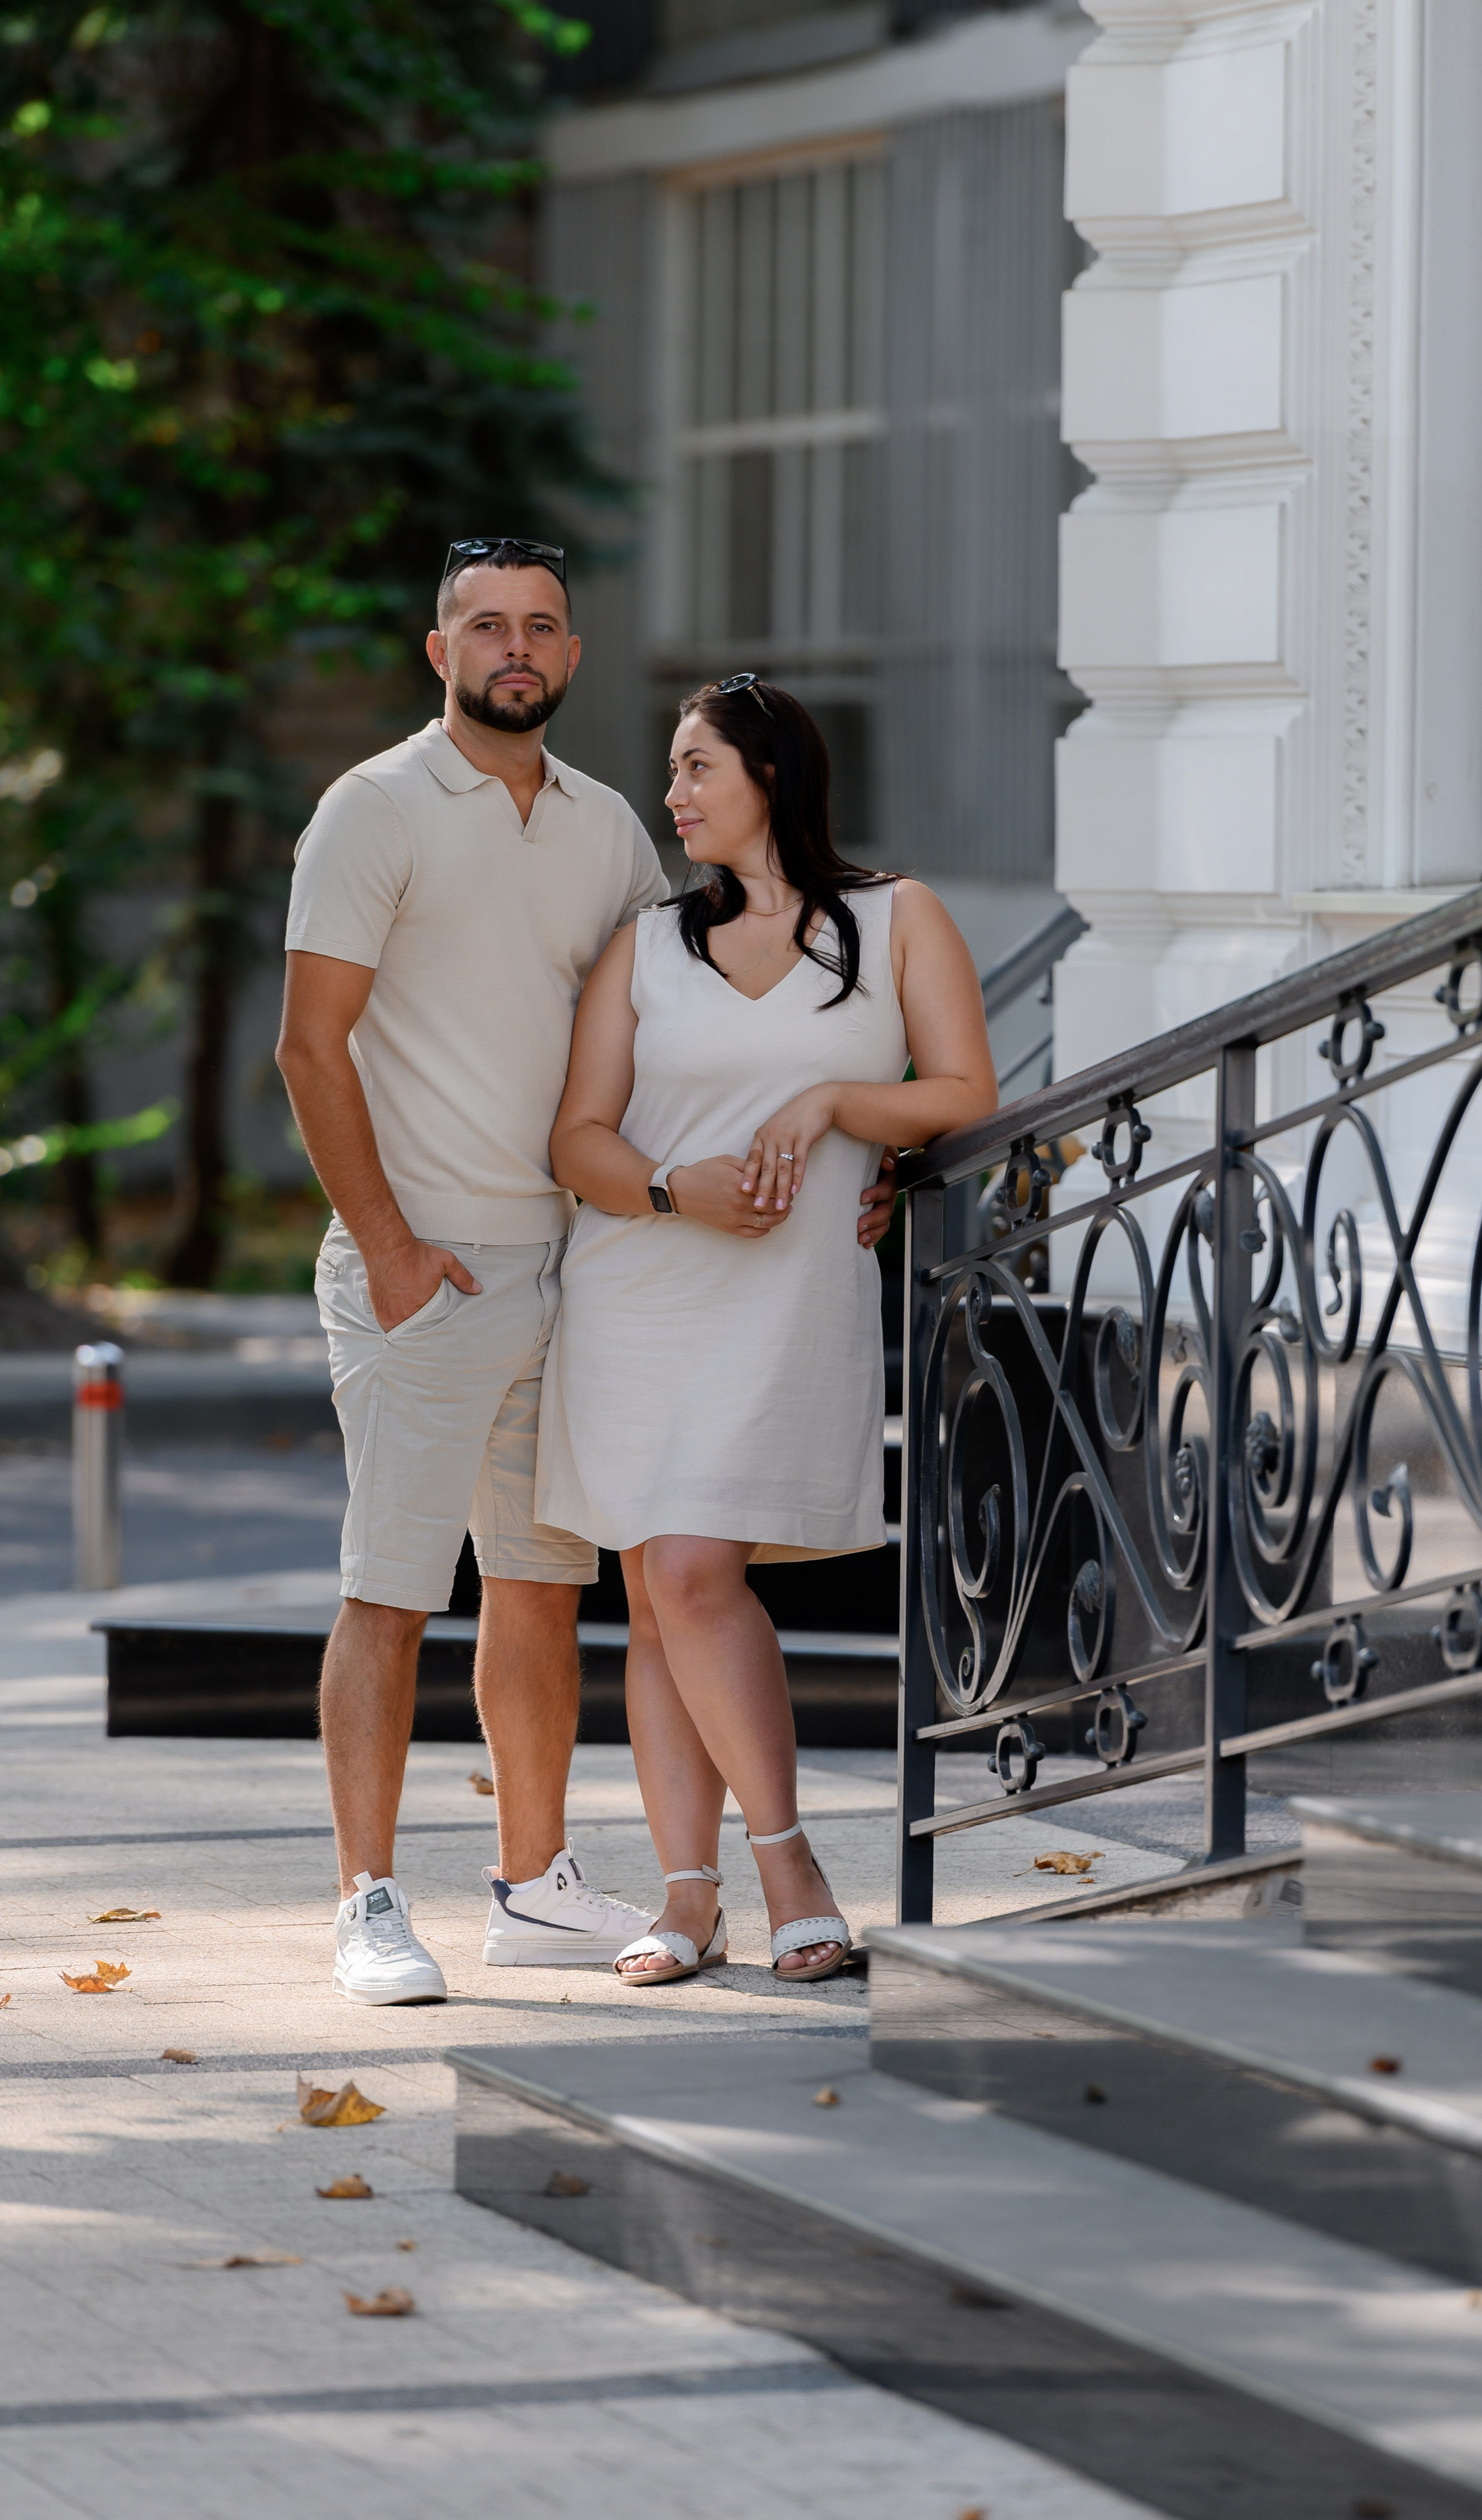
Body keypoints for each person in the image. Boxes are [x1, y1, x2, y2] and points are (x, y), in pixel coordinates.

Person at [275, 552, 897, 2003]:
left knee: (540, 1586)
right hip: (428, 1262)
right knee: (389, 1591)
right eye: (487, 624)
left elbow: (678, 1023)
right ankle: (368, 1899)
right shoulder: (372, 807)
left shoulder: (608, 825)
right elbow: (309, 1044)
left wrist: (856, 1161)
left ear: (569, 653)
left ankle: (532, 1884)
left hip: (582, 1267)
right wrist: (387, 1246)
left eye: (541, 626)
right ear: (439, 647)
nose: (516, 646)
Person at [537, 675, 997, 1984]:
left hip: (786, 1303)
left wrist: (837, 1106)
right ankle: (689, 1899)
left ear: (772, 774)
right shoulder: (646, 944)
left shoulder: (897, 917)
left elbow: (964, 1090)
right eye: (672, 769)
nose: (673, 793)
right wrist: (672, 1188)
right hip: (639, 1289)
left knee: (690, 1573)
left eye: (698, 767)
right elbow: (578, 1139)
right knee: (657, 1590)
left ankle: (785, 1862)